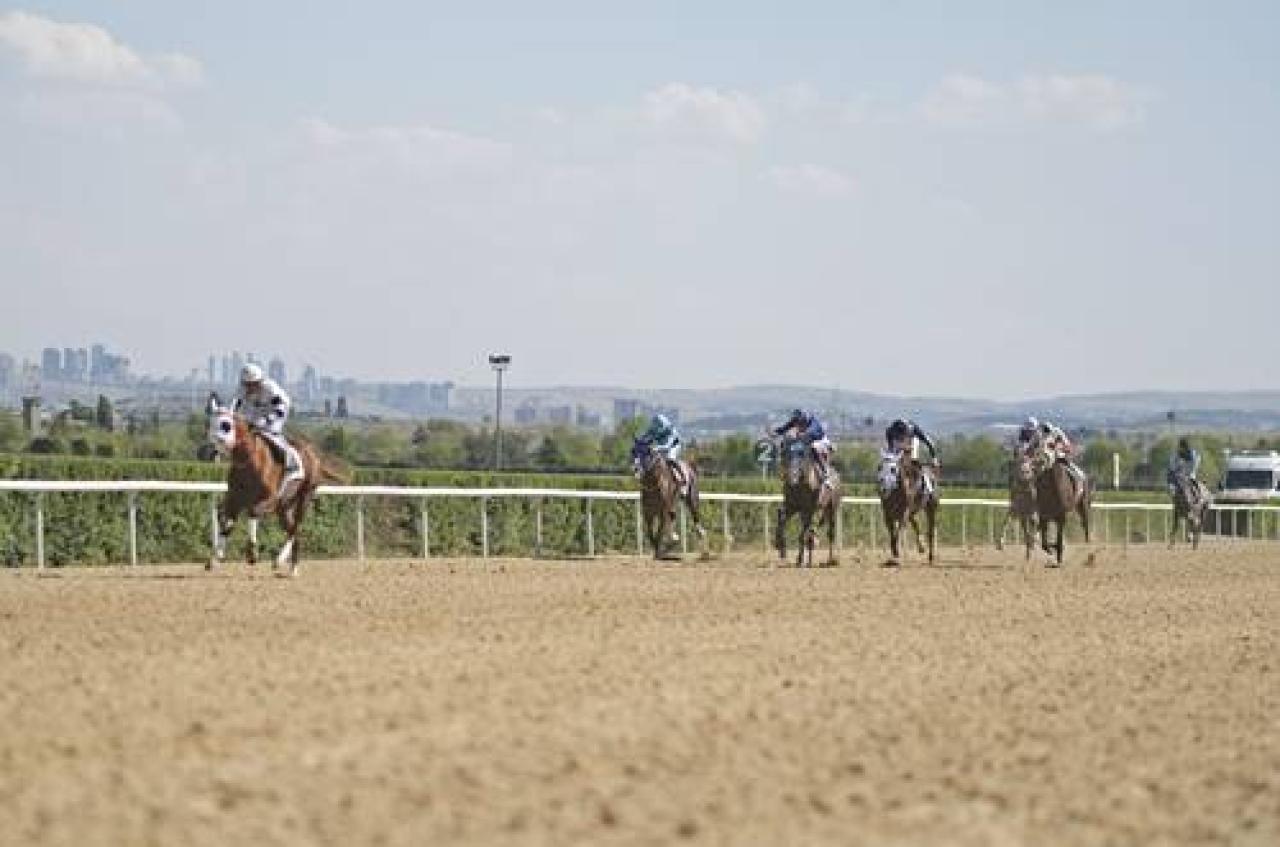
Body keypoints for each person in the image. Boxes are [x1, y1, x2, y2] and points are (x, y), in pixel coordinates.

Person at [236, 363, 304, 501]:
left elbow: (279, 407)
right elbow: (235, 407)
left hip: (278, 409)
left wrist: (267, 420)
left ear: (259, 382)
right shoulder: (241, 389)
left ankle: (293, 463)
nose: (248, 388)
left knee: (269, 432)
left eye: (252, 385)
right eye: (246, 385)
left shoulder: (270, 388)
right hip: (257, 410)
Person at [773, 408, 834, 485]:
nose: (797, 424)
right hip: (806, 439)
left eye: (799, 421)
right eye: (795, 421)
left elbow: (812, 431)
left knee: (814, 447)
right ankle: (785, 470)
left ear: (804, 418)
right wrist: (775, 432)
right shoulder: (796, 420)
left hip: (820, 440)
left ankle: (825, 473)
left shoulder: (813, 422)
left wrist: (804, 434)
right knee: (787, 446)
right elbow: (784, 428)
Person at [884, 417, 938, 495]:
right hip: (897, 444)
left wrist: (934, 458)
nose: (902, 438)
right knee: (891, 462)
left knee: (913, 459)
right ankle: (888, 483)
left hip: (912, 441)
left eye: (904, 436)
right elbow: (891, 448)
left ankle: (928, 487)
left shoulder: (914, 429)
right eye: (901, 436)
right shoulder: (890, 432)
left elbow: (928, 442)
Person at [638, 413, 687, 494]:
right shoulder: (653, 427)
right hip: (660, 446)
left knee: (670, 458)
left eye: (659, 428)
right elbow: (645, 436)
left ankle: (681, 480)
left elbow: (667, 446)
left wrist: (656, 448)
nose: (657, 430)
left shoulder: (671, 431)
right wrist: (640, 442)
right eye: (656, 428)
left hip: (673, 445)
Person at [1033, 419, 1086, 487]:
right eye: (1043, 430)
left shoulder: (1057, 433)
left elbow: (1067, 445)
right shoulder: (1039, 435)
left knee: (1068, 465)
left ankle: (1078, 477)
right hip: (1044, 459)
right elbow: (1034, 447)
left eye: (1046, 430)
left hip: (1058, 456)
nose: (1045, 433)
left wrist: (1057, 447)